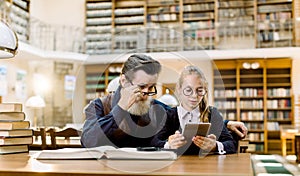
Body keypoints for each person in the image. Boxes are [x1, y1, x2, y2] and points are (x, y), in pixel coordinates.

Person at [81, 53, 247, 149]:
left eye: (151, 87)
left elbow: (179, 114)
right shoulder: (98, 106)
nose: (146, 93)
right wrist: (122, 107)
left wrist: (225, 124)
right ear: (124, 81)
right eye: (141, 86)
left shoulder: (155, 108)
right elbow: (88, 140)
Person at [156, 65, 237, 155]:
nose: (194, 95)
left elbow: (232, 144)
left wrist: (215, 146)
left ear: (205, 91)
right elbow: (154, 143)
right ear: (179, 90)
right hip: (177, 167)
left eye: (199, 90)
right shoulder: (168, 115)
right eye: (188, 90)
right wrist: (169, 145)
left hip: (206, 167)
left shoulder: (212, 114)